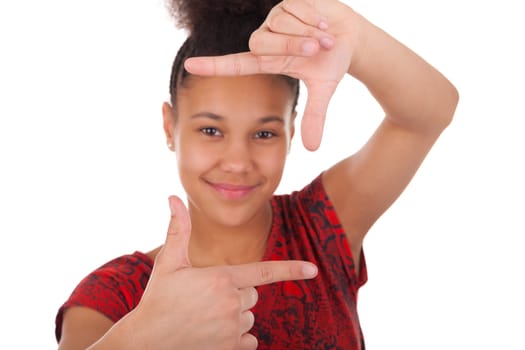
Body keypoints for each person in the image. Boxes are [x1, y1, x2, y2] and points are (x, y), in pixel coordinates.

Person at [55, 0, 459, 349]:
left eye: (264, 133)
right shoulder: (112, 295)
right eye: (211, 130)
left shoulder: (321, 226)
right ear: (169, 127)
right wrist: (138, 341)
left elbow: (428, 115)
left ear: (291, 131)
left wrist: (359, 38)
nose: (237, 161)